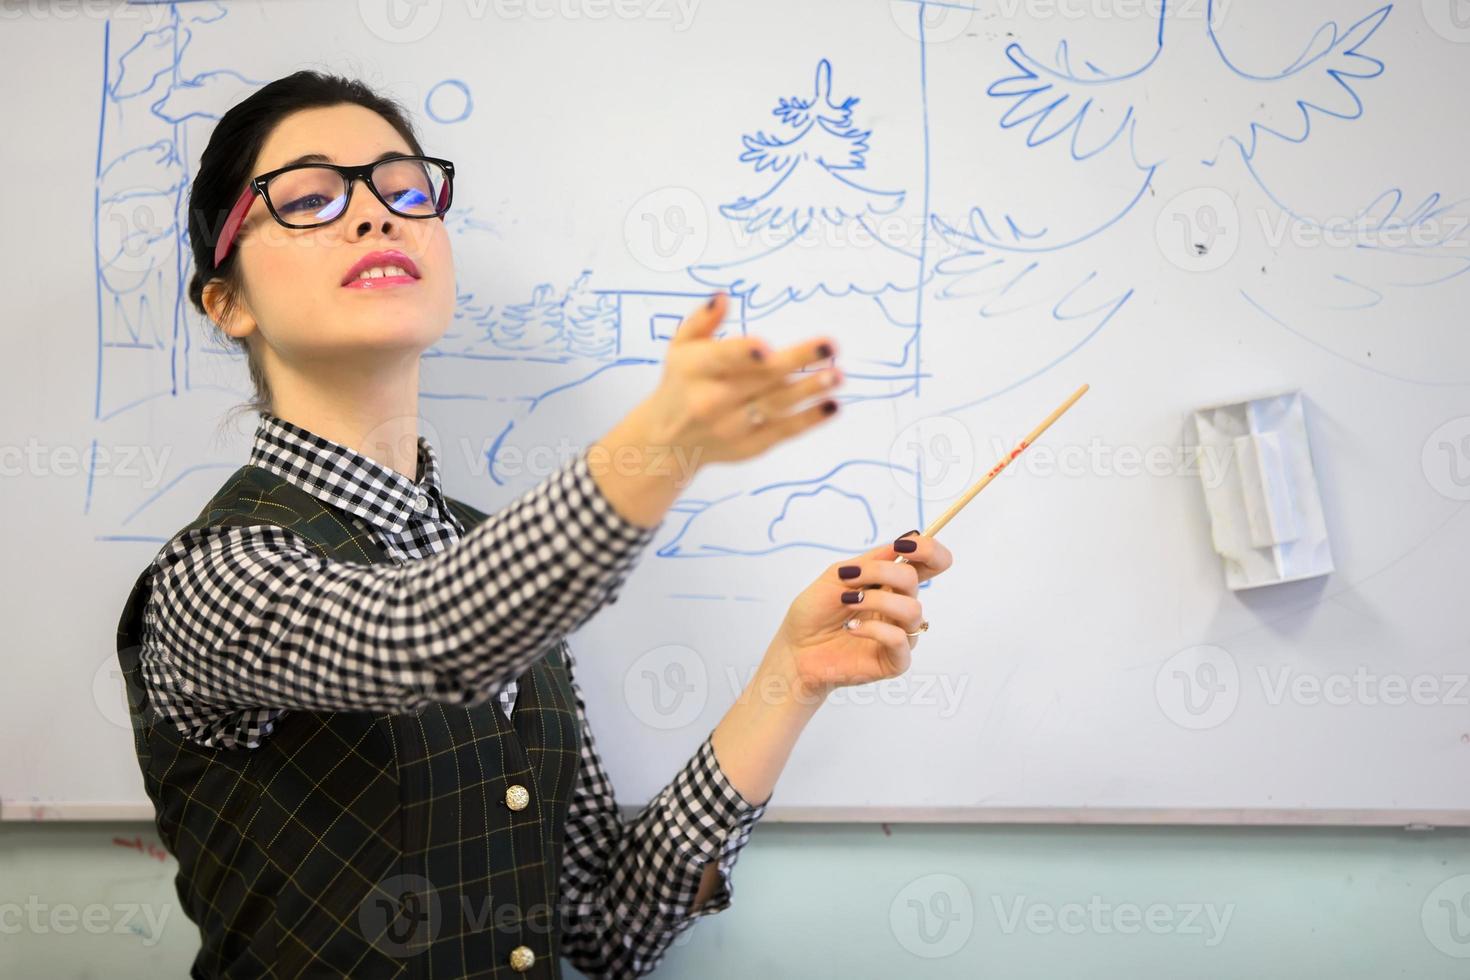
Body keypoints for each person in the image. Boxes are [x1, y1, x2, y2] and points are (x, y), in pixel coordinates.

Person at [114, 69, 953, 979]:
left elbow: (602, 931)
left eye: (401, 187)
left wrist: (791, 676)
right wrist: (655, 450)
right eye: (310, 198)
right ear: (226, 301)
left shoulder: (494, 557)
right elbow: (423, 635)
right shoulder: (215, 575)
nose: (375, 214)